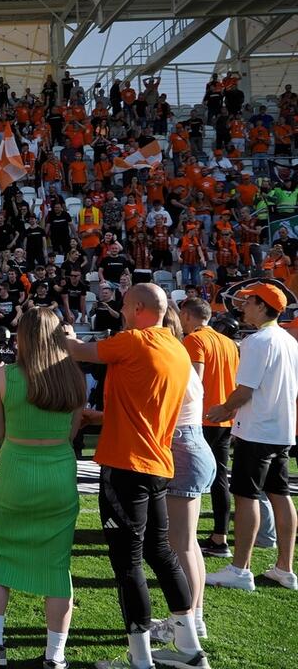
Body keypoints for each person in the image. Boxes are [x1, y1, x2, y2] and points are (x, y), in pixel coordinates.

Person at [66, 283, 209, 669]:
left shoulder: (133, 341)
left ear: (140, 308)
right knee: (160, 553)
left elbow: (79, 351)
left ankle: (141, 658)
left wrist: (64, 335)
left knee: (128, 564)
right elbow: (143, 405)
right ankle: (191, 648)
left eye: (126, 307)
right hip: (157, 464)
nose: (121, 313)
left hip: (126, 466)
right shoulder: (176, 349)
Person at [0, 308, 85, 669]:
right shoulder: (74, 377)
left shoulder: (0, 376)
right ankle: (55, 655)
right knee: (57, 567)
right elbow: (72, 433)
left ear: (22, 337)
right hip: (58, 474)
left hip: (15, 472)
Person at [205, 282, 298, 591]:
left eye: (248, 302)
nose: (243, 306)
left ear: (262, 306)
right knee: (280, 495)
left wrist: (222, 410)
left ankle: (240, 569)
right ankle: (284, 567)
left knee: (247, 497)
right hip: (280, 429)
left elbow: (245, 390)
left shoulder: (258, 342)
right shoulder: (288, 340)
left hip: (257, 430)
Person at [148, 307, 214, 644]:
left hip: (185, 449)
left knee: (182, 545)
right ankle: (194, 618)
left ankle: (187, 623)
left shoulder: (173, 361)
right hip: (194, 446)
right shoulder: (182, 360)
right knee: (188, 545)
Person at [175, 298, 239, 562]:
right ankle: (220, 536)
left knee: (185, 481)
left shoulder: (195, 340)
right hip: (224, 417)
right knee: (220, 479)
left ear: (188, 315)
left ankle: (182, 533)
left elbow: (194, 382)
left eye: (181, 314)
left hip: (202, 418)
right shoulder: (228, 342)